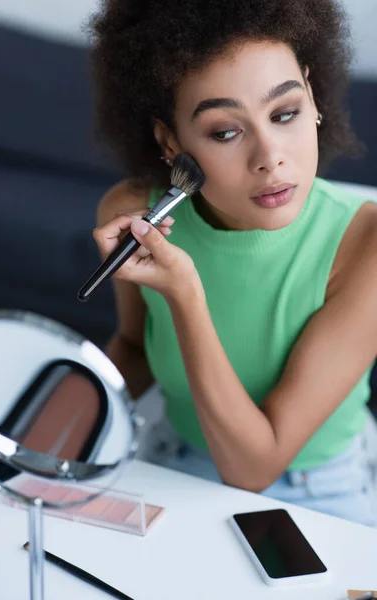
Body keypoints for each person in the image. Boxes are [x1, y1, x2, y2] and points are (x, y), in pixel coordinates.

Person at [87, 0, 377, 526]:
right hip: (167, 463)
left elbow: (253, 468)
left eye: (284, 113)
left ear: (312, 98)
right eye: (226, 131)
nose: (270, 156)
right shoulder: (131, 213)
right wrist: (50, 427)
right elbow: (135, 350)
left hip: (319, 492)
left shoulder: (367, 245)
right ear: (170, 141)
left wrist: (185, 292)